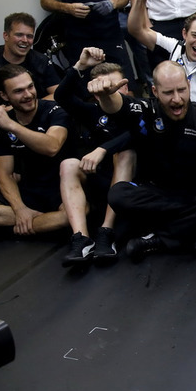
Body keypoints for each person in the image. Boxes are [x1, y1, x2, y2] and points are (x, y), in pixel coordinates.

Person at [88, 61, 196, 262]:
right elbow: (119, 107)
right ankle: (191, 233)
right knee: (118, 194)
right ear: (155, 91)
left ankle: (161, 239)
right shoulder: (146, 110)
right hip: (161, 196)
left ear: (189, 86)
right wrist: (106, 96)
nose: (177, 99)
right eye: (168, 93)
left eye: (182, 90)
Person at [0, 65, 70, 235]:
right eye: (19, 91)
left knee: (70, 215)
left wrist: (11, 126)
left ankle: (5, 227)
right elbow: (4, 174)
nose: (28, 95)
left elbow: (52, 146)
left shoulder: (54, 111)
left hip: (59, 188)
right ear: (4, 96)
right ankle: (37, 222)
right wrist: (20, 209)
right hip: (27, 189)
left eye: (30, 87)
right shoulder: (2, 125)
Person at [55, 48, 135, 266]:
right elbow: (60, 96)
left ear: (125, 87)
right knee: (69, 164)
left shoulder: (138, 108)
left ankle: (106, 232)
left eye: (114, 87)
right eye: (103, 88)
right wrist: (79, 67)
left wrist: (104, 149)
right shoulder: (92, 111)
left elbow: (134, 134)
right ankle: (81, 239)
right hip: (99, 181)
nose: (109, 92)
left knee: (125, 153)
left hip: (130, 185)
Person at [0, 14, 60, 160]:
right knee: (4, 178)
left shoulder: (41, 61)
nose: (25, 41)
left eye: (29, 36)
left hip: (34, 129)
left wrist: (23, 109)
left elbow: (58, 94)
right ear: (6, 35)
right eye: (19, 35)